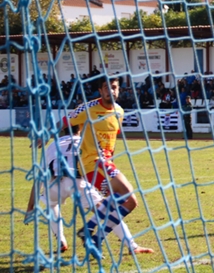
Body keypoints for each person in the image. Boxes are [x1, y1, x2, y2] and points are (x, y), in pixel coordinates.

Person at [54, 77, 152, 255]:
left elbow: (112, 139)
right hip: (93, 162)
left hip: (106, 163)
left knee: (120, 204)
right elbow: (64, 121)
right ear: (100, 91)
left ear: (119, 90)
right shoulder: (89, 108)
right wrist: (44, 135)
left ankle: (95, 236)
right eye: (107, 88)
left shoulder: (119, 112)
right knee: (129, 199)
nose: (111, 91)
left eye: (114, 87)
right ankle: (91, 231)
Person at [25, 124, 148, 255]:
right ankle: (132, 246)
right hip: (78, 182)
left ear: (62, 130)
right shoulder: (87, 142)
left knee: (51, 205)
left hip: (54, 183)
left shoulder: (52, 145)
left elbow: (39, 177)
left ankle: (61, 241)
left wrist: (30, 207)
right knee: (107, 212)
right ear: (81, 129)